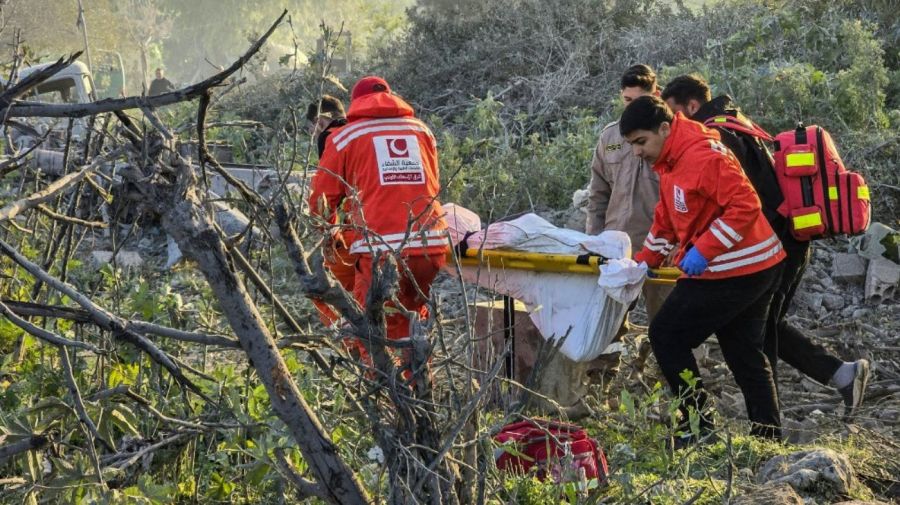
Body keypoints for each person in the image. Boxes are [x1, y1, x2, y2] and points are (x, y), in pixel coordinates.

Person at [661, 74, 870, 417]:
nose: (672, 124)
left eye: (674, 114)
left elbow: (737, 204)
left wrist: (702, 248)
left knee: (754, 337)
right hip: (789, 240)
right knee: (758, 328)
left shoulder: (716, 137)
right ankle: (838, 375)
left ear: (692, 106)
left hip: (772, 246)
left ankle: (770, 430)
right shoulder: (737, 121)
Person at [624, 96, 786, 443]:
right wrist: (643, 263)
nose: (637, 152)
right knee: (744, 352)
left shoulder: (702, 155)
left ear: (665, 128)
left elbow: (745, 205)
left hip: (738, 267)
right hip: (751, 263)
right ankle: (768, 437)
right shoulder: (670, 161)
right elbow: (666, 222)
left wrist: (702, 249)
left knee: (666, 336)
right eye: (632, 145)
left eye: (641, 142)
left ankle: (698, 427)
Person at [309, 76, 448, 376]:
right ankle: (422, 400)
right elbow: (430, 186)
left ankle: (387, 407)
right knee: (413, 324)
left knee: (373, 335)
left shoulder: (346, 135)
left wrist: (327, 237)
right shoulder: (422, 131)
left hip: (381, 253)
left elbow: (321, 201)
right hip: (431, 247)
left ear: (355, 104)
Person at [586, 64, 672, 327]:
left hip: (661, 247)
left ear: (656, 94)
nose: (632, 107)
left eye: (640, 100)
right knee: (607, 320)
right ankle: (605, 368)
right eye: (627, 100)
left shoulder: (668, 135)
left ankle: (674, 367)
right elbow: (598, 194)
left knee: (668, 320)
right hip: (616, 247)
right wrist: (594, 241)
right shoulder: (610, 137)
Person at [305, 95, 352, 329]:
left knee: (322, 290)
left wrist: (330, 240)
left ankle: (349, 342)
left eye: (313, 130)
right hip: (420, 237)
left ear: (321, 122)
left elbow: (320, 205)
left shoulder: (337, 140)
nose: (314, 137)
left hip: (365, 236)